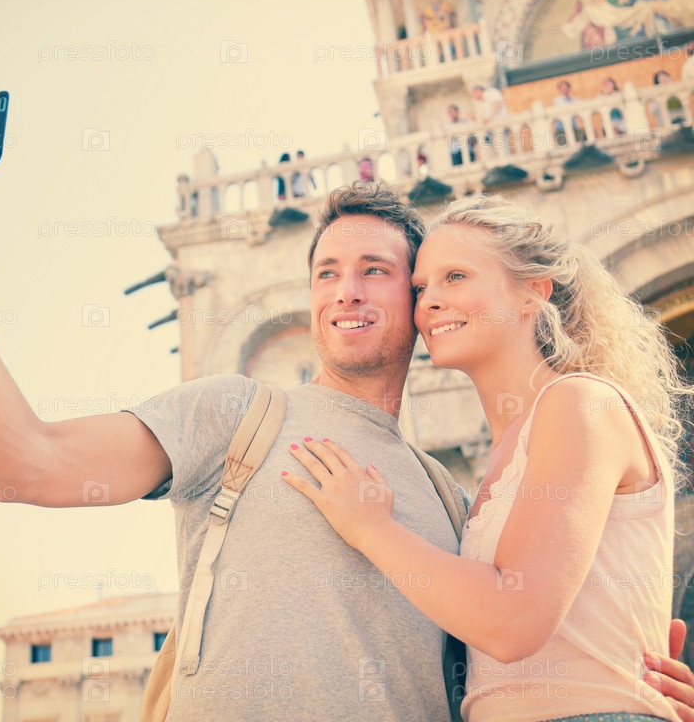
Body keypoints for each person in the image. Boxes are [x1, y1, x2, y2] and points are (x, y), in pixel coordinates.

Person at [0, 127, 694, 720]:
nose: (346, 291)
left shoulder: (456, 499)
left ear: (415, 306)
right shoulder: (235, 412)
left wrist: (628, 687)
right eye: (326, 273)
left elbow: (508, 640)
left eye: (378, 272)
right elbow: (24, 465)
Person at [284, 194, 694, 722]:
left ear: (532, 294)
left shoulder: (579, 402)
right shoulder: (506, 451)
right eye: (421, 288)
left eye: (455, 277)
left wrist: (372, 529)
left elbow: (512, 621)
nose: (429, 302)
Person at [552, 79, 585, 144]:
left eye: (565, 88)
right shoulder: (557, 101)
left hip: (573, 128)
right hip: (561, 130)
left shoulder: (573, 100)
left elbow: (582, 104)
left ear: (568, 88)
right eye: (562, 88)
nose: (564, 90)